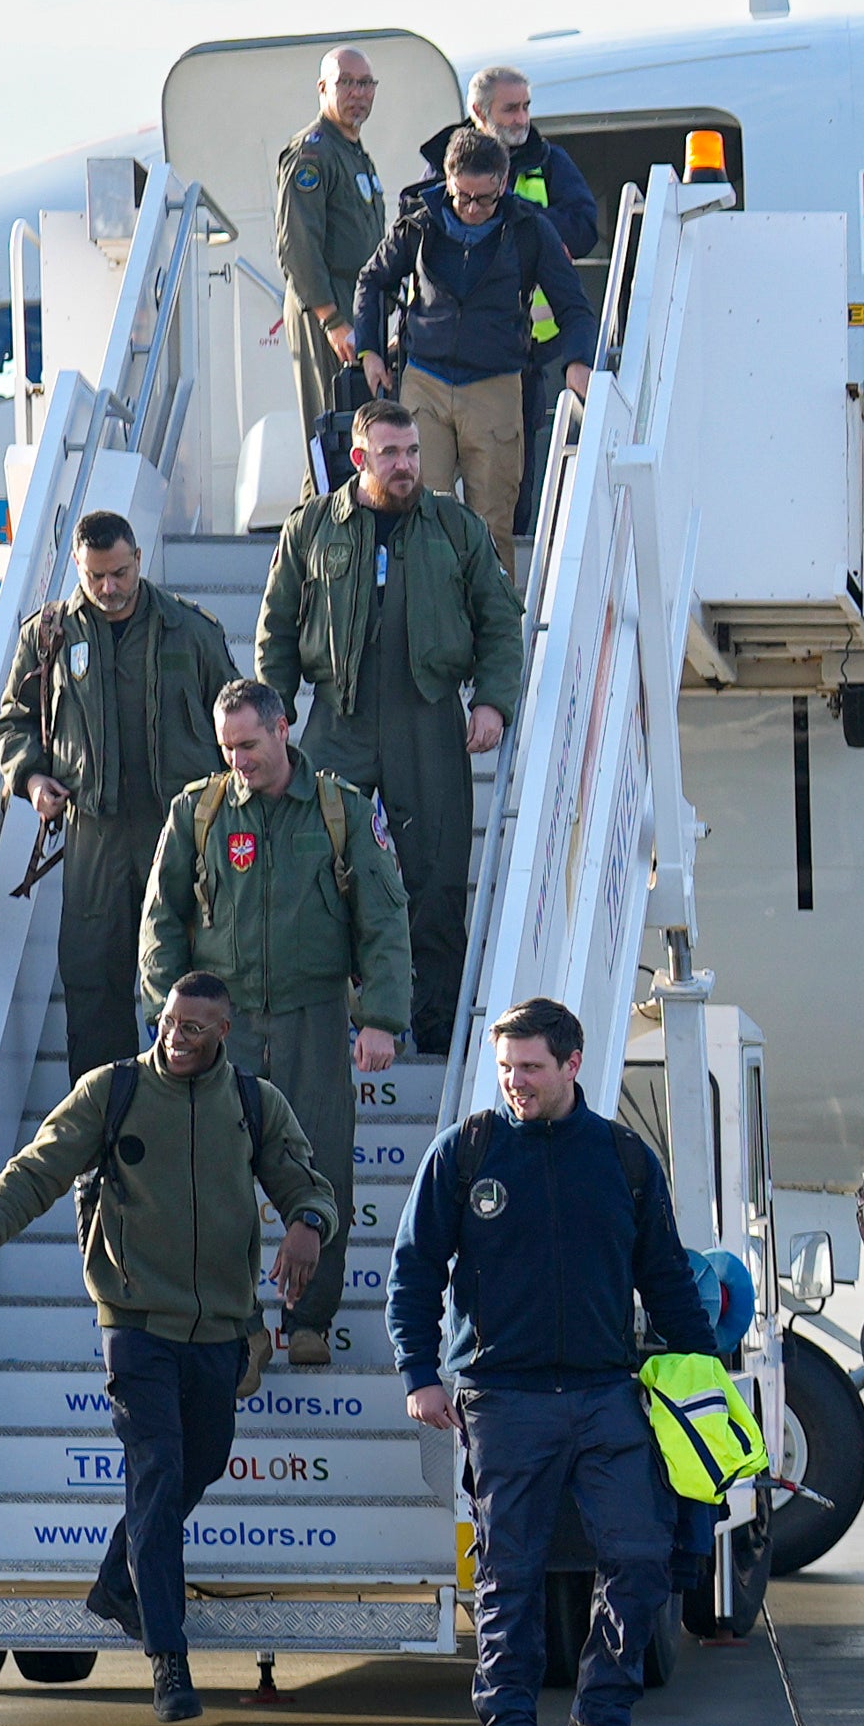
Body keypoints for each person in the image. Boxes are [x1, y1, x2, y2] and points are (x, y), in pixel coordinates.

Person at [0, 971, 332, 1722]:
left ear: (224, 1031)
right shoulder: (111, 1090)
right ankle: (167, 1656)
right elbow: (42, 1166)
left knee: (202, 1462)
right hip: (135, 1325)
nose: (173, 1038)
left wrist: (308, 1221)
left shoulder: (254, 1103)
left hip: (220, 1327)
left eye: (192, 1027)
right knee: (156, 1473)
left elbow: (302, 1179)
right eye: (167, 1022)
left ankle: (117, 1584)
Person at [393, 996, 719, 1726]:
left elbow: (669, 1281)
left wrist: (705, 1380)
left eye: (531, 1068)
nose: (516, 1083)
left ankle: (603, 1714)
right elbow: (413, 1270)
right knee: (512, 1574)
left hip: (609, 1393)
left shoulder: (623, 1160)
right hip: (502, 1397)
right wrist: (419, 1374)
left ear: (573, 1064)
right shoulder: (464, 1154)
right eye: (507, 1069)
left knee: (642, 1557)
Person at [139, 679, 406, 1365]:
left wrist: (378, 1018)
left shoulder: (339, 811)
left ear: (283, 729)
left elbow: (382, 919)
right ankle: (243, 1328)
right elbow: (160, 921)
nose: (238, 761)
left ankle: (309, 1320)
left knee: (318, 1170)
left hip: (312, 1016)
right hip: (220, 1024)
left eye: (249, 745)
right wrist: (171, 1016)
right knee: (213, 1177)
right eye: (228, 748)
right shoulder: (197, 814)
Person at [252, 399, 520, 1051]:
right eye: (390, 454)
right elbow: (277, 628)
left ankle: (431, 1032)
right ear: (359, 459)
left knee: (434, 879)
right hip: (336, 717)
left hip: (427, 716)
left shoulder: (455, 528)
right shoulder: (312, 528)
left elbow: (499, 619)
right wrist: (272, 718)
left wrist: (491, 701)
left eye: (413, 453)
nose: (405, 466)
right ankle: (329, 1020)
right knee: (315, 871)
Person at [0, 508, 244, 1078]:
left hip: (182, 833)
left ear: (138, 560)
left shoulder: (190, 630)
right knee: (93, 980)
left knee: (190, 977)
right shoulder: (49, 635)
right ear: (78, 568)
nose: (109, 588)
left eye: (121, 574)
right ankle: (102, 1130)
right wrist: (32, 779)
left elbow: (238, 719)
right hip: (93, 837)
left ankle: (192, 1108)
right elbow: (14, 721)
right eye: (96, 576)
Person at [351, 126, 597, 525]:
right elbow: (372, 279)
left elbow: (575, 307)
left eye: (484, 199)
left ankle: (489, 589)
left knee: (493, 521)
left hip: (495, 383)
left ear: (503, 183)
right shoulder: (418, 223)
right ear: (447, 179)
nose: (471, 208)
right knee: (417, 512)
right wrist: (370, 350)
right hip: (425, 380)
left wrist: (577, 361)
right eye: (462, 196)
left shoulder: (530, 229)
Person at [462, 67, 615, 540]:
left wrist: (521, 220)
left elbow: (585, 226)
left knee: (521, 464)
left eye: (526, 106)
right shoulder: (451, 161)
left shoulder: (549, 160)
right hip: (466, 350)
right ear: (479, 113)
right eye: (512, 108)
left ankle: (517, 553)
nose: (523, 117)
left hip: (533, 346)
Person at [274, 44, 387, 497]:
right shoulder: (313, 154)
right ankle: (313, 548)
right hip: (327, 307)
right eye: (347, 83)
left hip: (356, 304)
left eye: (366, 84)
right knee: (330, 437)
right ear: (323, 88)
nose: (357, 93)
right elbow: (297, 245)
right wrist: (332, 319)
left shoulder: (355, 154)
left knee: (353, 434)